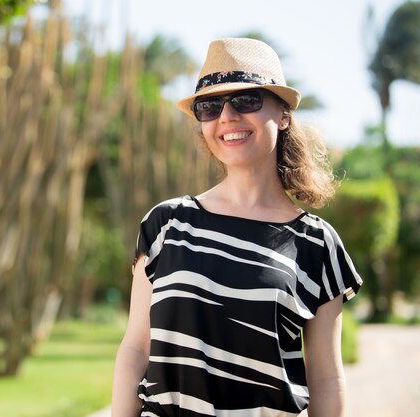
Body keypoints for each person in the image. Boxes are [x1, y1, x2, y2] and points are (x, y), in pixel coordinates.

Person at [110, 38, 363, 417]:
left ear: (284, 115)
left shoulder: (318, 245)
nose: (226, 116)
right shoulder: (166, 224)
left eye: (246, 100)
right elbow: (136, 350)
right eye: (209, 107)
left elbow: (326, 379)